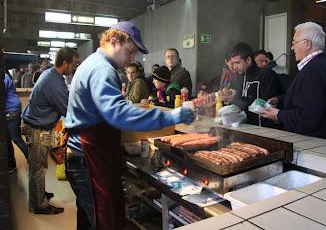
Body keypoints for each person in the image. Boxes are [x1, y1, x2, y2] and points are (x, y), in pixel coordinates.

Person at [64, 21, 194, 230]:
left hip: (84, 155)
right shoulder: (102, 70)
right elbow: (119, 114)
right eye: (130, 51)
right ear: (114, 41)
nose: (132, 58)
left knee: (89, 218)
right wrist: (173, 117)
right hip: (88, 158)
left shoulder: (93, 63)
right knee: (103, 221)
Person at [260, 22, 326, 141]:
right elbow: (311, 98)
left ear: (307, 44)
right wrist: (281, 100)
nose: (292, 48)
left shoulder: (314, 70)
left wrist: (278, 114)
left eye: (294, 42)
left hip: (315, 144)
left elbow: (308, 118)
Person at [22, 47, 79, 214]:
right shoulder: (53, 82)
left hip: (36, 124)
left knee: (40, 166)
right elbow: (68, 111)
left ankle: (38, 194)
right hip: (38, 128)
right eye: (74, 64)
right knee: (38, 168)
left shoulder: (51, 75)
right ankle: (38, 205)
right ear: (65, 63)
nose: (75, 67)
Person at [224, 42, 280, 127]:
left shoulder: (266, 75)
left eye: (238, 63)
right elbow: (235, 103)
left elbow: (265, 105)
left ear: (248, 60)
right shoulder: (237, 77)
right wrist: (227, 98)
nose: (234, 67)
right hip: (243, 127)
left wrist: (234, 99)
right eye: (233, 63)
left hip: (264, 129)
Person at [5, 73, 29, 173]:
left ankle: (33, 163)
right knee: (6, 140)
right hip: (8, 111)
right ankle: (12, 166)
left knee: (16, 138)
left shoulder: (3, 76)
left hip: (11, 110)